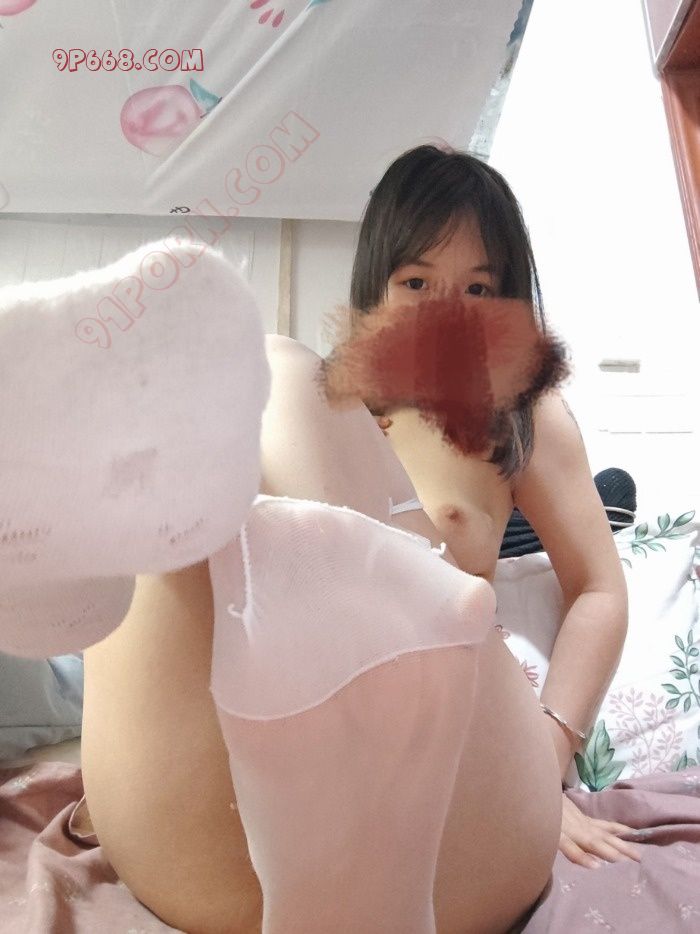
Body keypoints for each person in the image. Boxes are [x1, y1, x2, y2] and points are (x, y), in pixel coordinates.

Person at [77, 146, 640, 934]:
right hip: (228, 828)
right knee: (248, 408)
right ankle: (110, 474)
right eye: (417, 283)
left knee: (273, 369)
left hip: (454, 794)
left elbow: (599, 590)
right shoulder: (322, 409)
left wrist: (547, 757)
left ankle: (113, 447)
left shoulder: (522, 419)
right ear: (376, 287)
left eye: (479, 289)